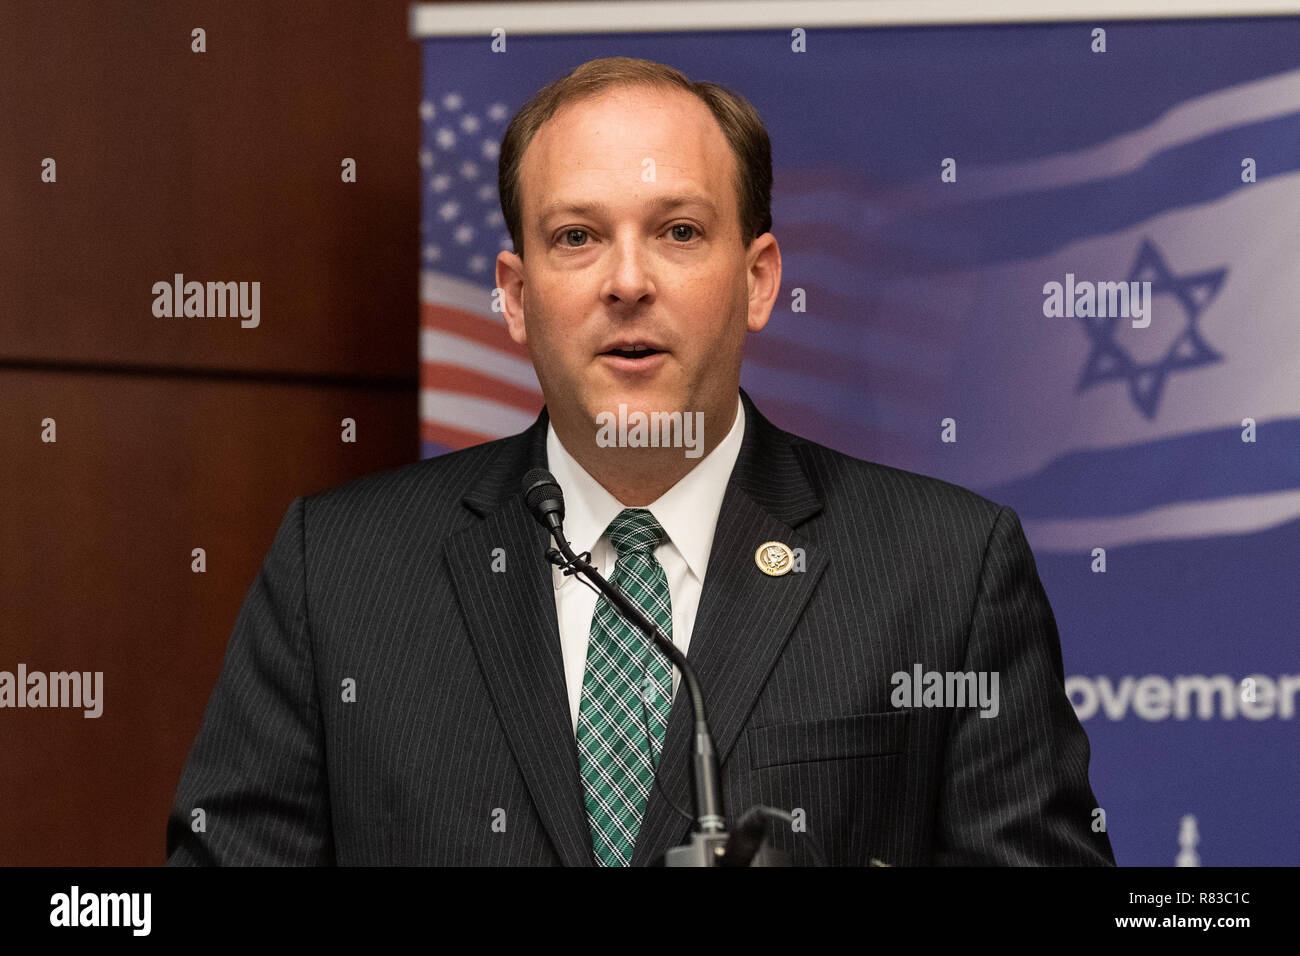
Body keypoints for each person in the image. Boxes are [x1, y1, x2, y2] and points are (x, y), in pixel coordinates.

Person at [166, 56, 1115, 867]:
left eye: (679, 232)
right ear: (515, 295)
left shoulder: (945, 570)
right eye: (577, 237)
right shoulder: (336, 572)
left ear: (757, 281)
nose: (628, 281)